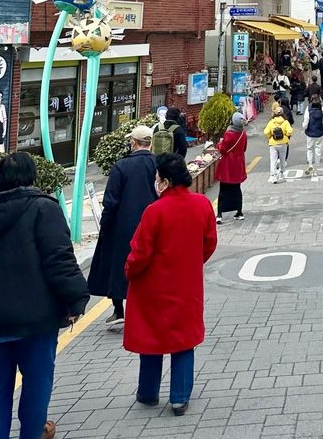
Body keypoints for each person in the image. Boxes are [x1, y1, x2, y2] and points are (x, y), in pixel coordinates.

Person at [0, 152, 88, 439]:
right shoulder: (44, 209)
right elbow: (59, 260)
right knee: (36, 388)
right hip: (36, 322)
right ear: (33, 178)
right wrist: (76, 300)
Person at [124, 153, 216, 417]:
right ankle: (179, 397)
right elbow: (209, 243)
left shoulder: (154, 211)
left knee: (152, 336)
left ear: (164, 181)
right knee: (183, 339)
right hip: (187, 284)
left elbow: (140, 253)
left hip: (153, 286)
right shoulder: (202, 205)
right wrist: (193, 262)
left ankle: (148, 392)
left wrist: (129, 270)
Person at [88, 126, 157, 327]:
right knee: (148, 265)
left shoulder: (121, 166)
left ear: (133, 143)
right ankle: (146, 307)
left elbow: (111, 200)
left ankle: (119, 309)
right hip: (151, 224)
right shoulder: (158, 163)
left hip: (122, 225)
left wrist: (105, 223)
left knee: (117, 264)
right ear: (150, 143)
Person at [215, 112, 248, 223]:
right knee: (237, 189)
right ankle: (239, 212)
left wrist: (219, 144)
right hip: (239, 164)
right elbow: (244, 149)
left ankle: (219, 215)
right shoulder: (243, 133)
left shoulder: (229, 133)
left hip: (228, 165)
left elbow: (223, 149)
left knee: (223, 189)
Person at [264, 102, 293, 184]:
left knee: (273, 160)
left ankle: (273, 176)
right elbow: (290, 131)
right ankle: (282, 173)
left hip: (273, 143)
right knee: (282, 159)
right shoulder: (285, 121)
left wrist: (270, 136)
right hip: (283, 143)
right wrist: (286, 136)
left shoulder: (271, 122)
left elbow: (266, 131)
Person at [302, 94, 323, 176]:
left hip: (310, 132)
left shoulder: (308, 108)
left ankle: (310, 164)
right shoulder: (321, 108)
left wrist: (304, 127)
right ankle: (316, 168)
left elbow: (306, 120)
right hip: (319, 133)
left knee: (309, 149)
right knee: (318, 150)